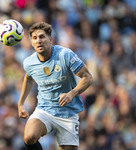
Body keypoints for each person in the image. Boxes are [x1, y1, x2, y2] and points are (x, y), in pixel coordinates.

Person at [18, 22, 93, 150]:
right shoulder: (29, 62)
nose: (38, 41)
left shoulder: (65, 55)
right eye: (35, 38)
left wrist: (71, 94)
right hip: (45, 109)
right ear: (31, 42)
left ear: (50, 39)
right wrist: (21, 104)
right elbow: (28, 78)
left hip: (68, 112)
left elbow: (88, 77)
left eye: (42, 37)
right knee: (29, 137)